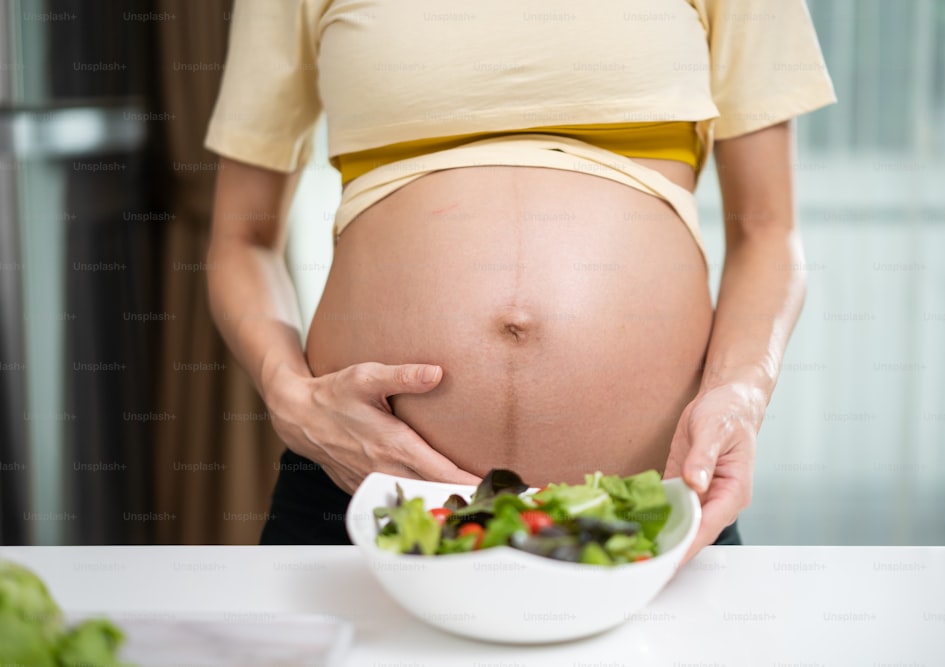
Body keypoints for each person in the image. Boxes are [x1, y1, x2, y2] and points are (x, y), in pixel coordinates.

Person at [204, 0, 836, 561]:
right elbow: (241, 240)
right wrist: (290, 398)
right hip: (364, 488)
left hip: (645, 500)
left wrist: (742, 396)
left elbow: (769, 232)